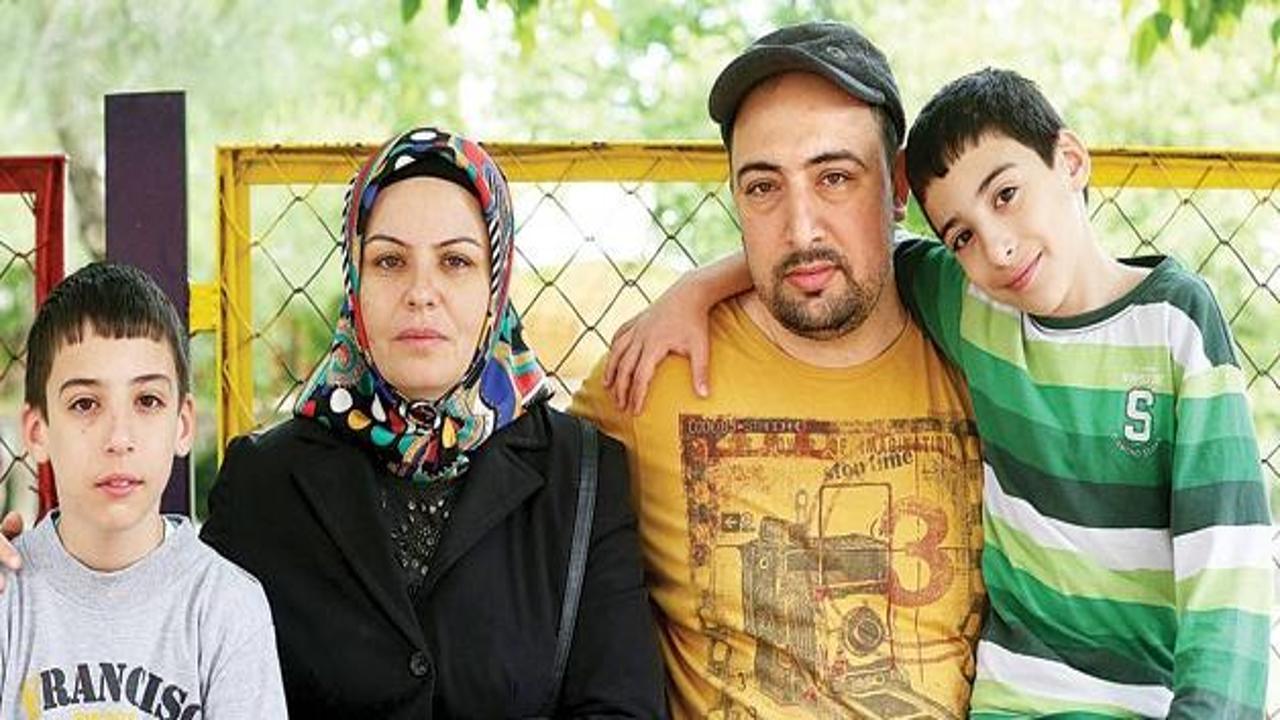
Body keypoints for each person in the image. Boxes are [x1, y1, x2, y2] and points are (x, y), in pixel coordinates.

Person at [611, 66, 1273, 717]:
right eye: (961, 236)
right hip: (1016, 700)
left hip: (1149, 696)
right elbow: (833, 254)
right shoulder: (977, 308)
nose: (998, 248)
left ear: (1070, 161)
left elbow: (1229, 565)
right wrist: (694, 290)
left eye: (1006, 195)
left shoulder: (1173, 322)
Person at [571, 22, 985, 719]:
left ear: (897, 186)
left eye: (835, 178)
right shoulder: (657, 371)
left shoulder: (980, 356)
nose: (801, 229)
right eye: (763, 187)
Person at [199, 127, 667, 718]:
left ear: (496, 284)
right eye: (390, 261)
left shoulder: (582, 477)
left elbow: (623, 709)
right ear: (355, 281)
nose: (421, 293)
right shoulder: (262, 484)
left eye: (455, 261)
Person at [2, 262, 286, 717]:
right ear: (38, 432)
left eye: (147, 401)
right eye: (85, 404)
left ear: (183, 425)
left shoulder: (225, 607)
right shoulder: (8, 599)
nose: (119, 438)